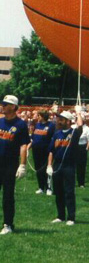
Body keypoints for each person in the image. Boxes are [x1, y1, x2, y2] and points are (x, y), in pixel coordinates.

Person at [0, 95, 30, 235]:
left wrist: (22, 165)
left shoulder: (20, 125)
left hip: (9, 164)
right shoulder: (0, 122)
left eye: (5, 104)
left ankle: (8, 224)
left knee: (7, 195)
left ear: (13, 107)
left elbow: (23, 145)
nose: (3, 106)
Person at [47, 110, 83, 225]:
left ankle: (71, 217)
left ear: (68, 121)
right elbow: (51, 151)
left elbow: (80, 125)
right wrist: (49, 165)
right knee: (58, 191)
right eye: (58, 119)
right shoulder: (57, 134)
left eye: (61, 119)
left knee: (69, 191)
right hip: (57, 165)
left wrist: (78, 113)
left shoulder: (73, 133)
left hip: (69, 165)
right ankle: (60, 216)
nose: (58, 121)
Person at [27, 110, 55, 195]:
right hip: (36, 151)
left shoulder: (51, 126)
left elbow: (53, 139)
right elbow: (33, 139)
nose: (37, 117)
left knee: (46, 169)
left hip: (45, 151)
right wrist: (28, 148)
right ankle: (41, 187)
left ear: (43, 116)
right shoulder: (37, 125)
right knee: (38, 169)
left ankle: (49, 188)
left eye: (38, 115)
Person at [75, 115, 89, 188]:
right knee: (72, 166)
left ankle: (81, 183)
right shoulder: (73, 127)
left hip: (82, 148)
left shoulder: (87, 129)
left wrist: (86, 148)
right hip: (74, 147)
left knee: (81, 166)